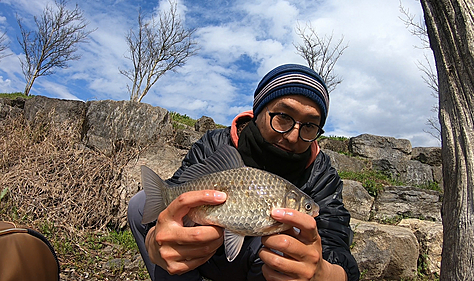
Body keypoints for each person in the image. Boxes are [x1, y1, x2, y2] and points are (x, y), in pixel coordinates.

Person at [128, 64, 360, 281]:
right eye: (283, 117)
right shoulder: (215, 145)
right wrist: (154, 241)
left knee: (283, 244)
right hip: (201, 253)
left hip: (264, 267)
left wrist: (321, 272)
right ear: (258, 112)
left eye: (309, 125)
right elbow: (177, 189)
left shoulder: (320, 173)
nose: (292, 135)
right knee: (142, 204)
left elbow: (337, 246)